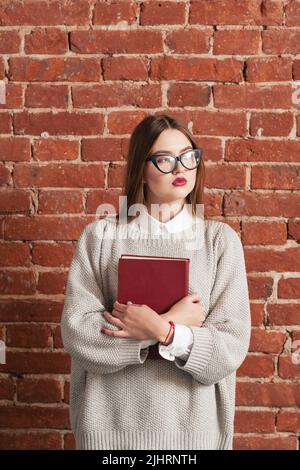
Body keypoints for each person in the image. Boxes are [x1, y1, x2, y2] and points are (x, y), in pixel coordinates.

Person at [61, 113, 251, 450]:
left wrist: (163, 330)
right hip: (110, 434)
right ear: (142, 170)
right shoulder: (101, 237)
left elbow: (230, 347)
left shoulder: (220, 241)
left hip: (192, 436)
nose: (180, 169)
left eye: (188, 156)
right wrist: (164, 325)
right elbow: (79, 334)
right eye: (165, 159)